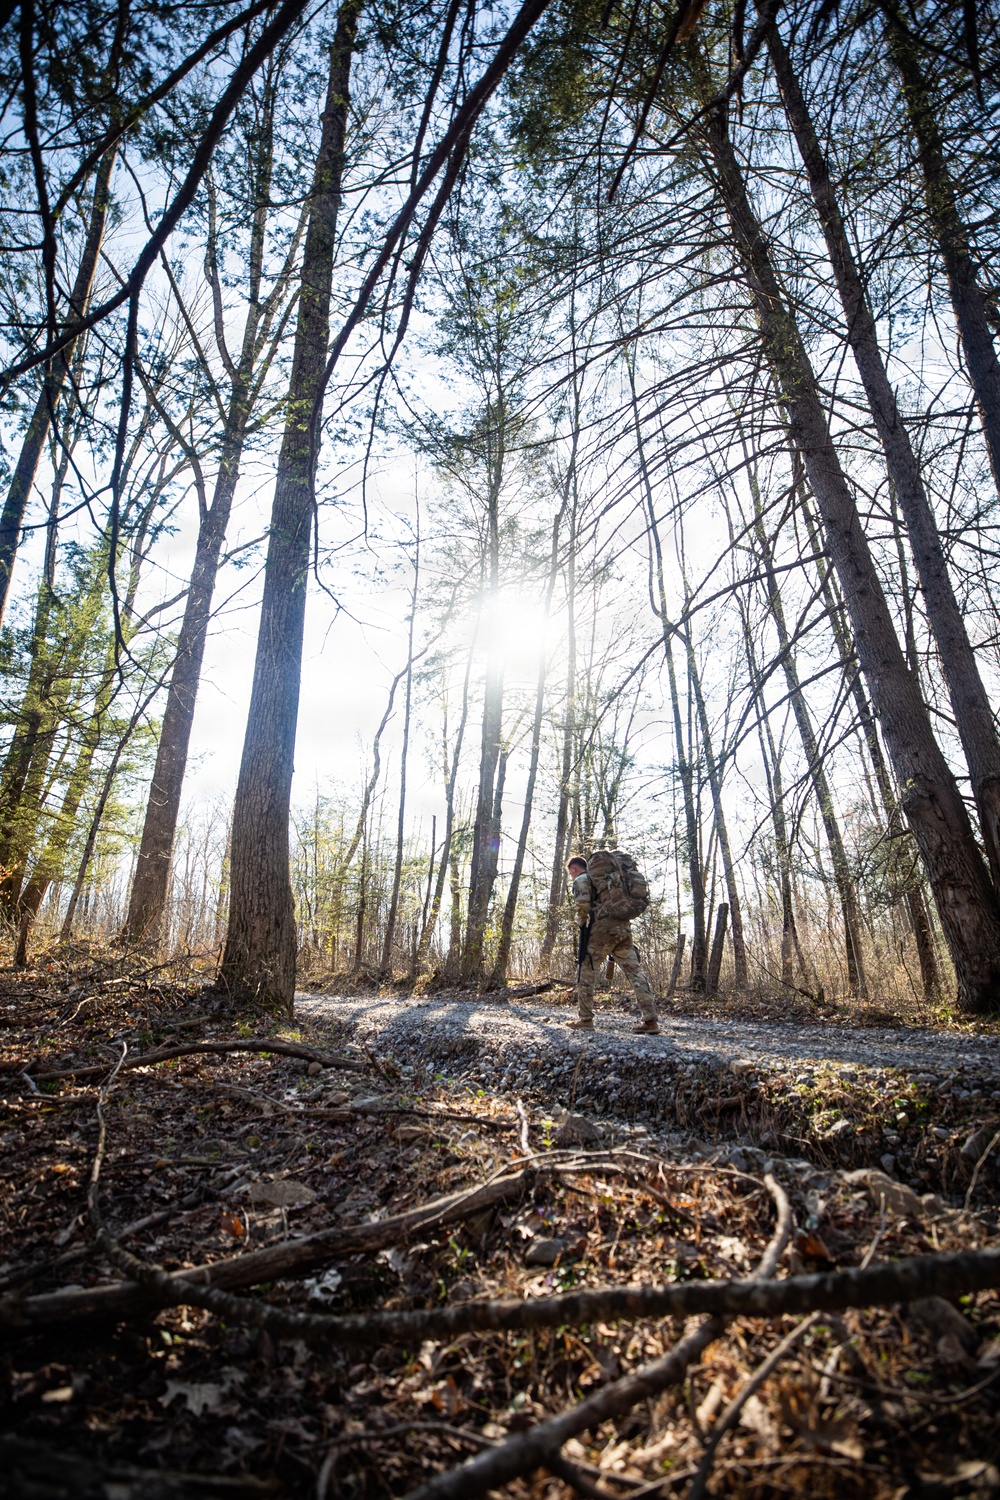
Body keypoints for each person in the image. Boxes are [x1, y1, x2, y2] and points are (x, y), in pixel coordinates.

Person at [565, 852, 659, 1033]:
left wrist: (581, 921)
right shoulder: (608, 879)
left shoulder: (582, 879)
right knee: (635, 973)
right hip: (623, 929)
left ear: (574, 869)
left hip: (602, 930)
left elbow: (583, 905)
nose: (572, 876)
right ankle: (651, 1021)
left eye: (571, 873)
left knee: (586, 970)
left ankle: (585, 1019)